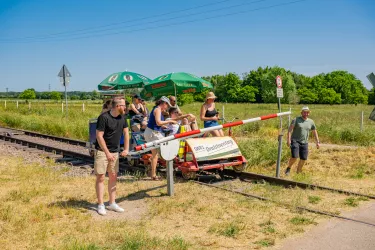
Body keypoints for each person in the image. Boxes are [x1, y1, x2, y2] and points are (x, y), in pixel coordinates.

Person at [94, 97, 129, 216]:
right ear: (117, 106)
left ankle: (112, 203)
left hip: (115, 152)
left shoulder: (123, 118)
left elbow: (126, 133)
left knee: (113, 177)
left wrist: (126, 149)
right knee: (101, 177)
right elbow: (99, 136)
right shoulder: (103, 118)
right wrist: (107, 153)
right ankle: (100, 204)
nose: (125, 107)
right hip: (102, 152)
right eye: (124, 105)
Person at [144, 96, 178, 180]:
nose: (167, 108)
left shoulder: (157, 109)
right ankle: (160, 172)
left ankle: (153, 173)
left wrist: (164, 126)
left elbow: (156, 123)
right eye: (167, 105)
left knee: (155, 155)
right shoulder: (158, 110)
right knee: (165, 149)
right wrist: (169, 121)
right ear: (164, 103)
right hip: (152, 133)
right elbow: (158, 122)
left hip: (151, 132)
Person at [285, 106, 320, 176]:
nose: (306, 113)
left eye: (307, 112)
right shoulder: (296, 120)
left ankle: (298, 171)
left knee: (303, 158)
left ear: (309, 113)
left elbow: (314, 131)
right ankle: (288, 168)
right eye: (304, 112)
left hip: (305, 142)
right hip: (295, 141)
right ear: (301, 113)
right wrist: (288, 140)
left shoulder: (311, 121)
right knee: (295, 156)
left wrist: (317, 142)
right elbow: (289, 130)